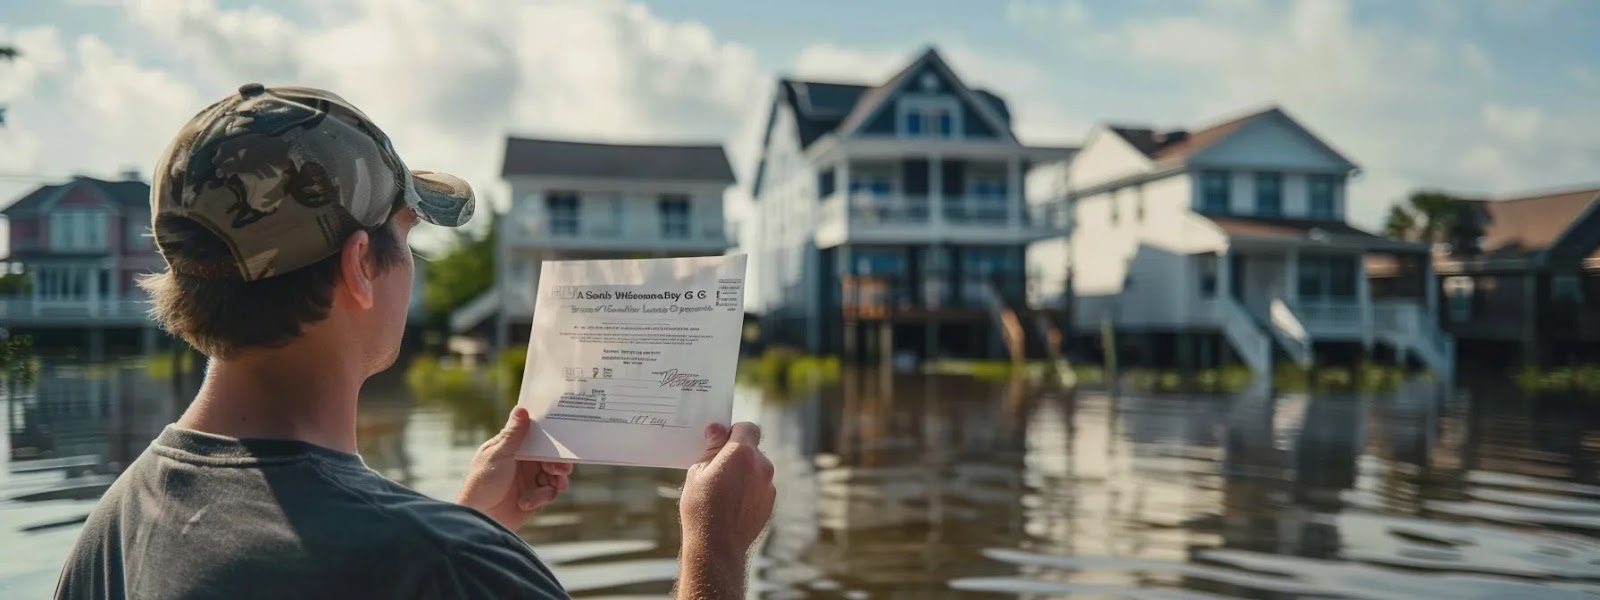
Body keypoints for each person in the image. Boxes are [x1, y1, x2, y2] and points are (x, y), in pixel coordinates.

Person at [54, 84, 776, 599]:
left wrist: (475, 520)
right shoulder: (448, 565)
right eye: (407, 238)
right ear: (360, 268)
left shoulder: (112, 529)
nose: (413, 267)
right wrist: (715, 548)